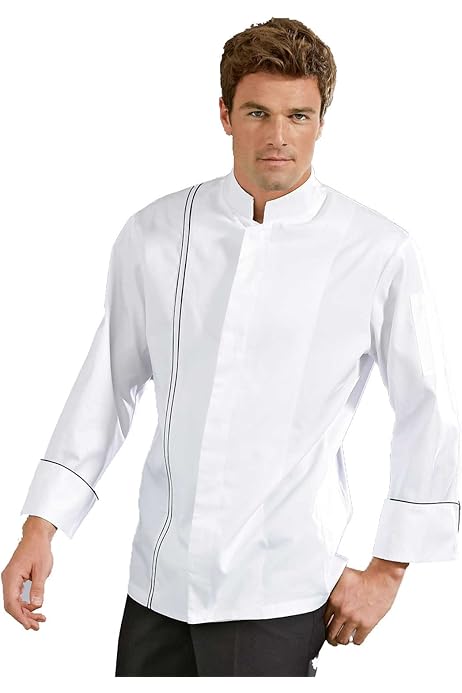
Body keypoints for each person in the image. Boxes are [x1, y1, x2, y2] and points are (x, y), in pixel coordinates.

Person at [2, 16, 460, 677]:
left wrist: (388, 570)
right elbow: (107, 386)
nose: (278, 137)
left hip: (279, 592)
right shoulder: (154, 234)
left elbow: (429, 412)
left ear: (321, 122)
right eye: (257, 112)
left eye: (298, 116)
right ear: (225, 114)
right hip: (156, 586)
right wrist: (41, 524)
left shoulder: (378, 250)